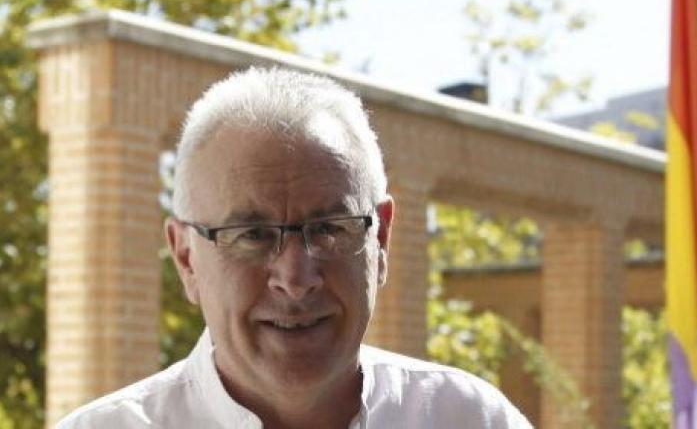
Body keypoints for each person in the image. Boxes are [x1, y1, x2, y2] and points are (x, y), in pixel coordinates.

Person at [57, 67, 531, 428]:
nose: (296, 278)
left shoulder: (468, 419)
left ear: (381, 238)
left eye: (328, 229)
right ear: (186, 258)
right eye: (252, 235)